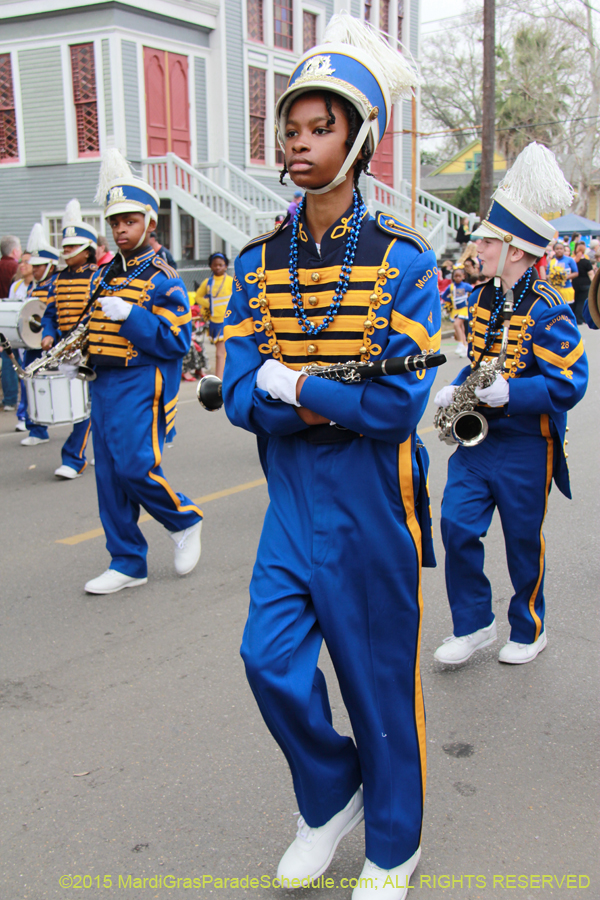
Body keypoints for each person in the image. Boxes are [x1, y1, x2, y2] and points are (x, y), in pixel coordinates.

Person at [223, 14, 440, 899]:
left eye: (323, 128)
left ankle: (396, 842)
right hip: (292, 506)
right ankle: (332, 794)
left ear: (361, 142)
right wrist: (309, 399)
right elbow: (239, 396)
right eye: (292, 128)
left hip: (373, 503)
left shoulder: (404, 261)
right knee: (266, 659)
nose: (301, 143)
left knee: (376, 680)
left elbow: (395, 409)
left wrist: (299, 390)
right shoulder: (255, 260)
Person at [433, 142, 588, 667]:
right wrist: (460, 388)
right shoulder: (481, 300)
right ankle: (475, 624)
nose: (478, 247)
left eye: (488, 241)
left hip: (527, 444)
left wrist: (515, 394)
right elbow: (479, 360)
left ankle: (530, 626)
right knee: (455, 525)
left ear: (517, 249)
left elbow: (572, 384)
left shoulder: (551, 311)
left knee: (523, 543)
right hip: (480, 442)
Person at [82, 149, 202, 595]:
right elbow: (92, 327)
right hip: (104, 380)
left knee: (135, 466)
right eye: (115, 223)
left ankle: (184, 520)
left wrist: (131, 315)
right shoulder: (103, 274)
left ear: (149, 222)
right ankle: (128, 561)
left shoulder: (163, 275)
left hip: (140, 379)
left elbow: (176, 340)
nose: (120, 230)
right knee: (109, 475)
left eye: (129, 221)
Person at [40, 199, 97, 479]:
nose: (65, 252)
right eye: (63, 248)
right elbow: (50, 312)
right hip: (65, 347)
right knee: (84, 403)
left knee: (85, 403)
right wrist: (48, 334)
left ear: (87, 251)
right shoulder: (58, 278)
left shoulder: (96, 276)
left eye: (71, 248)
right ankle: (99, 447)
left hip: (91, 348)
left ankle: (74, 458)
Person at [19, 225, 60, 446]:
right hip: (33, 346)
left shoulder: (55, 285)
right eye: (33, 266)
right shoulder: (32, 287)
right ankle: (36, 428)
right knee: (32, 386)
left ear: (50, 266)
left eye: (39, 266)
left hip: (52, 344)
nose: (34, 270)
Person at [194, 252, 232, 380]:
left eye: (221, 265)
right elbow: (198, 296)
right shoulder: (208, 282)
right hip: (215, 322)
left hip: (229, 321)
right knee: (221, 353)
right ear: (210, 266)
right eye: (215, 265)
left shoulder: (231, 281)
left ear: (226, 266)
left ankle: (220, 379)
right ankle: (221, 380)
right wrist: (208, 304)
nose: (218, 267)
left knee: (221, 353)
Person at [0, 235, 22, 411]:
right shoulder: (15, 268)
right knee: (15, 357)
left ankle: (9, 400)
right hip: (13, 316)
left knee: (6, 357)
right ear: (15, 251)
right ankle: (17, 398)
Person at [441, 266, 472, 357]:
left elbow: (474, 292)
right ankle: (465, 346)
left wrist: (469, 300)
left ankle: (461, 344)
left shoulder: (466, 286)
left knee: (456, 324)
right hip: (455, 310)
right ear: (453, 277)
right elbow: (443, 296)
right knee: (460, 328)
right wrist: (451, 300)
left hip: (464, 309)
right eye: (456, 276)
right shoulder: (451, 287)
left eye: (459, 276)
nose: (457, 278)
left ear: (463, 276)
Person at [571, 240, 593, 325]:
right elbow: (591, 274)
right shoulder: (586, 262)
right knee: (582, 302)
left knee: (576, 302)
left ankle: (575, 318)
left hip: (575, 283)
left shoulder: (573, 261)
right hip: (585, 284)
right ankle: (580, 319)